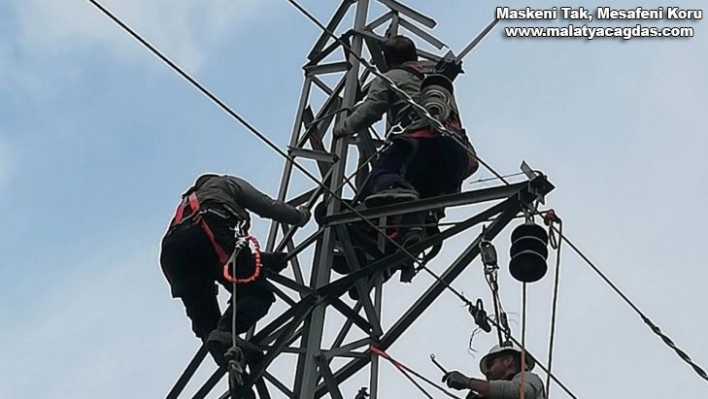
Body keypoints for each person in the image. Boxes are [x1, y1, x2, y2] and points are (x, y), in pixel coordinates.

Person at [333, 34, 479, 282]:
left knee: (378, 180)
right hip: (457, 155)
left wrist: (342, 128)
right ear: (415, 56)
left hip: (421, 144)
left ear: (388, 61)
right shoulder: (436, 81)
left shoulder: (392, 78)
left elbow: (370, 110)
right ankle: (408, 239)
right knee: (420, 201)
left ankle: (387, 205)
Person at [159, 173, 310, 369]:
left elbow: (218, 258)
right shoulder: (225, 183)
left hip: (175, 253)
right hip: (212, 230)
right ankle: (225, 334)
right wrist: (299, 216)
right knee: (257, 294)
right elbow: (264, 205)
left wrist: (265, 260)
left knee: (205, 320)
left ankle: (229, 363)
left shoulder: (186, 207)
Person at [442, 342, 547, 399]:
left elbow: (519, 392)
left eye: (491, 364)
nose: (488, 372)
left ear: (507, 361)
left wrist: (469, 382)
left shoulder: (531, 379)